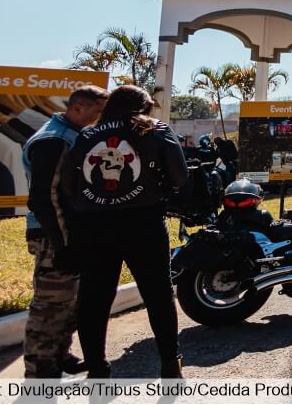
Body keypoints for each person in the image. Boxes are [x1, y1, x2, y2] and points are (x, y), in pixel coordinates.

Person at [63, 85, 188, 378]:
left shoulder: (86, 136)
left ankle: (97, 368)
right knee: (158, 294)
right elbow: (180, 176)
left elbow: (70, 185)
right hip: (142, 221)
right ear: (143, 107)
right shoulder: (155, 130)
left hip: (92, 224)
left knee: (94, 297)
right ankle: (170, 364)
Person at [21, 85, 108, 378]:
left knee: (68, 300)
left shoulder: (70, 133)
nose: (98, 120)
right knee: (50, 304)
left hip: (67, 232)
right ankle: (39, 367)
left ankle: (59, 354)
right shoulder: (53, 141)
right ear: (78, 108)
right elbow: (45, 198)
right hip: (53, 233)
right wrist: (62, 244)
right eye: (96, 113)